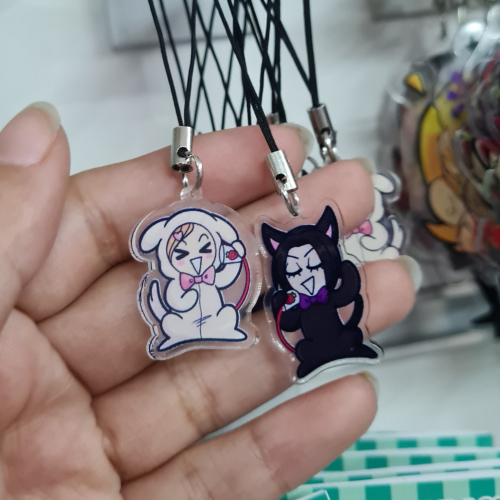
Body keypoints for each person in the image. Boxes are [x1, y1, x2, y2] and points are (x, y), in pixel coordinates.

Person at [0, 103, 418, 499]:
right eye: (181, 254)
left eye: (204, 249)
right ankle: (185, 334)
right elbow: (178, 296)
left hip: (230, 320)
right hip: (183, 326)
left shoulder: (238, 267)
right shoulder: (173, 281)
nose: (196, 259)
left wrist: (235, 266)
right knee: (187, 327)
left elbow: (251, 282)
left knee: (238, 323)